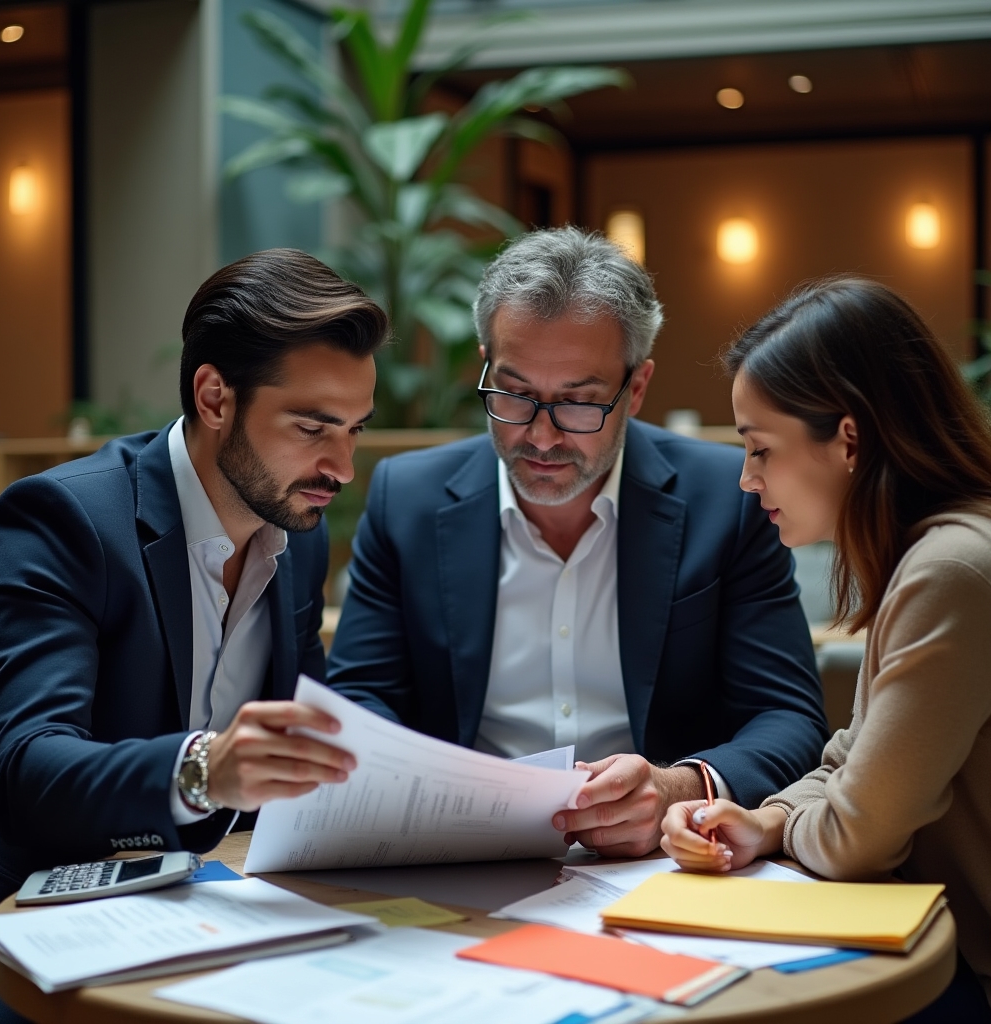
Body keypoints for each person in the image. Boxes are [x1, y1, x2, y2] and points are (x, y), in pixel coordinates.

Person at [0, 248, 386, 1022]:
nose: (342, 467)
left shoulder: (297, 535)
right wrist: (204, 769)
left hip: (207, 910)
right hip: (30, 920)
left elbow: (310, 736)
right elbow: (26, 767)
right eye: (313, 427)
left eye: (355, 430)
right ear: (215, 396)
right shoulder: (65, 520)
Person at [328, 227, 828, 859]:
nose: (540, 437)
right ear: (486, 363)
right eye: (514, 394)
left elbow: (789, 717)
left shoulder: (724, 500)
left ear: (636, 388)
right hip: (459, 867)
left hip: (663, 865)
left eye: (579, 404)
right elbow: (359, 701)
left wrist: (679, 787)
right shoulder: (408, 497)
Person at [660, 277, 991, 1021]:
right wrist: (768, 820)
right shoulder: (936, 553)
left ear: (849, 438)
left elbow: (856, 838)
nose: (747, 480)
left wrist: (794, 823)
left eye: (759, 449)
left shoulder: (952, 571)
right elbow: (852, 759)